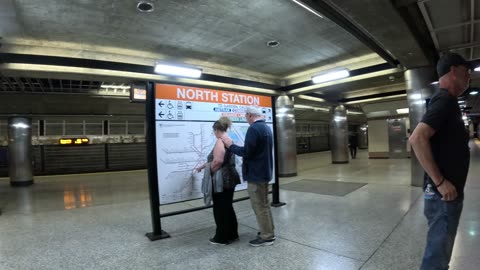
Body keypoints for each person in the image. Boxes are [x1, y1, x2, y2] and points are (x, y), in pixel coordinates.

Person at [409, 52, 472, 270]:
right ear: (453, 71)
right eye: (466, 72)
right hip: (443, 195)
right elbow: (417, 138)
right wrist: (440, 182)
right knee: (437, 257)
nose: (468, 78)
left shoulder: (449, 101)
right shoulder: (445, 99)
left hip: (445, 195)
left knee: (440, 252)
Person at [221, 106, 275, 247]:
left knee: (259, 206)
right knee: (264, 204)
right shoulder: (266, 128)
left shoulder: (254, 129)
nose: (246, 119)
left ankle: (267, 236)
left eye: (246, 116)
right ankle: (268, 231)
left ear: (250, 115)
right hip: (264, 172)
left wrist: (230, 145)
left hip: (256, 174)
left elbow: (247, 152)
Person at [196, 116, 240, 245]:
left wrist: (210, 171)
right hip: (230, 178)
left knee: (220, 209)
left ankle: (222, 237)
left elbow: (218, 161)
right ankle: (233, 234)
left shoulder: (220, 141)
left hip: (221, 180)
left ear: (216, 130)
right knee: (227, 207)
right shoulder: (228, 140)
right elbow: (215, 160)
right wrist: (203, 166)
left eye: (213, 131)